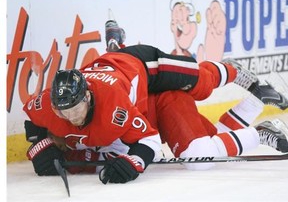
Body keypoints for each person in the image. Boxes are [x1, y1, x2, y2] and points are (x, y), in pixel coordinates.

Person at [23, 19, 288, 184]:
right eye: (63, 113)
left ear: (87, 97)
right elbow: (35, 127)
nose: (71, 119)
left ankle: (234, 71)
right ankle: (255, 105)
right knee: (216, 139)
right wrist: (40, 149)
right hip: (128, 84)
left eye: (76, 109)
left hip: (147, 67)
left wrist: (134, 163)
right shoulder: (50, 108)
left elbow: (147, 141)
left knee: (201, 86)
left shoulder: (114, 108)